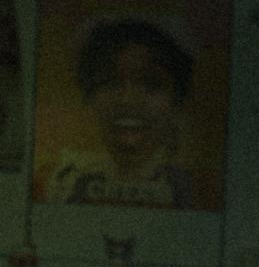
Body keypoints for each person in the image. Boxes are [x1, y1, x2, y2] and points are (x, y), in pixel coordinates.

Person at [43, 17, 196, 208]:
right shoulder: (53, 184)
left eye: (151, 84)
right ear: (89, 95)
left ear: (176, 99)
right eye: (110, 82)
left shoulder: (200, 190)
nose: (128, 100)